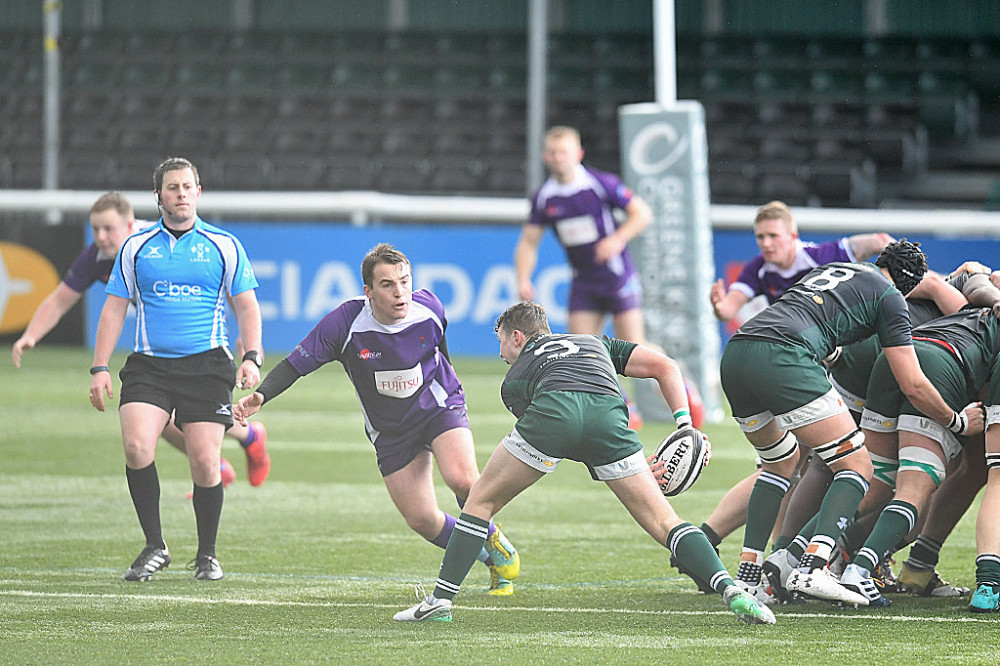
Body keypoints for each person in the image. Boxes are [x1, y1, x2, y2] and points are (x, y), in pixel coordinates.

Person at [393, 301, 776, 625]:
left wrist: (615, 456)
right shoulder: (595, 342)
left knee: (479, 501)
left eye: (501, 344)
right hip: (611, 419)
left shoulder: (513, 380)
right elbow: (667, 367)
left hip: (554, 412)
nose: (500, 355)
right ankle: (731, 590)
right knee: (666, 522)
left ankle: (439, 603)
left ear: (517, 337)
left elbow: (559, 436)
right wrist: (684, 428)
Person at [232, 243, 520, 595]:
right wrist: (262, 395)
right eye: (387, 285)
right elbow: (297, 363)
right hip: (391, 430)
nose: (400, 292)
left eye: (405, 281)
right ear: (368, 291)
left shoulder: (429, 307)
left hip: (437, 406)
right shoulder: (344, 323)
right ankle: (489, 556)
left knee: (462, 480)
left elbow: (439, 349)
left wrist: (451, 388)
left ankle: (490, 535)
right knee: (422, 520)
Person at [719, 240, 984, 607]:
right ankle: (813, 566)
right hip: (788, 355)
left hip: (738, 350)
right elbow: (912, 382)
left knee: (778, 465)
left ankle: (752, 575)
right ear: (910, 282)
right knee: (859, 465)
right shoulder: (892, 296)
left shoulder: (829, 270)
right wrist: (956, 422)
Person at [14, 192, 270, 488]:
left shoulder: (157, 239)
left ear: (130, 225)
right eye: (95, 229)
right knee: (153, 418)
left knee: (183, 413)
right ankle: (222, 460)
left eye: (108, 229)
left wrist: (249, 344)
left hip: (202, 344)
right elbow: (60, 300)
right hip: (158, 350)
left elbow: (231, 289)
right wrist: (30, 336)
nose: (100, 236)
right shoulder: (98, 256)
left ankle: (243, 442)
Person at [89, 158, 264, 581]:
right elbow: (113, 309)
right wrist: (99, 367)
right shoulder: (136, 246)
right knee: (136, 448)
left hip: (206, 367)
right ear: (158, 196)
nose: (181, 193)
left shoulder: (224, 244)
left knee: (205, 462)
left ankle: (207, 554)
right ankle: (155, 546)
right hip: (149, 365)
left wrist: (252, 357)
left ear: (198, 192)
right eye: (172, 187)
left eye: (188, 186)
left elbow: (246, 305)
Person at [710, 200, 893, 322]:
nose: (766, 243)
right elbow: (728, 309)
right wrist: (718, 306)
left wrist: (903, 258)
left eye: (773, 236)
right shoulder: (757, 269)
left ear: (793, 236)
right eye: (760, 237)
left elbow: (879, 241)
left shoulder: (818, 257)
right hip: (799, 340)